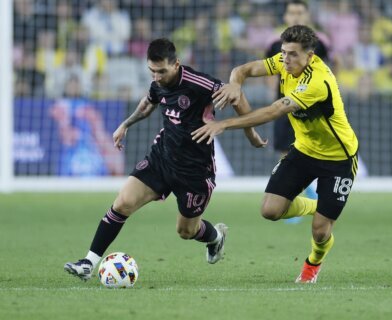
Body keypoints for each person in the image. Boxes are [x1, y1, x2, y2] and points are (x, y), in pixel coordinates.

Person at [64, 38, 266, 280]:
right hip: (162, 158)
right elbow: (149, 102)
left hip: (195, 170)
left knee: (186, 230)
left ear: (177, 64)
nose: (156, 77)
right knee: (122, 203)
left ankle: (216, 237)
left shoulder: (199, 83)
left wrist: (250, 132)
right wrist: (126, 124)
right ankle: (88, 263)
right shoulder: (157, 83)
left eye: (161, 71)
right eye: (152, 71)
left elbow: (237, 96)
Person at [192, 25, 359, 283]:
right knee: (269, 210)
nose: (286, 59)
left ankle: (312, 264)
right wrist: (235, 84)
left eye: (293, 54)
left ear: (310, 56)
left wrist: (223, 124)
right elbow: (243, 70)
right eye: (283, 53)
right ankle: (321, 206)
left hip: (338, 158)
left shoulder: (318, 82)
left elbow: (273, 111)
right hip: (304, 151)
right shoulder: (282, 62)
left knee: (320, 232)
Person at [266, 0, 330, 203]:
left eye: (299, 13)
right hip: (285, 107)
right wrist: (274, 102)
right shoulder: (275, 45)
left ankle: (314, 194)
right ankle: (291, 197)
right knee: (286, 153)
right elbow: (271, 76)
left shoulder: (320, 43)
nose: (295, 17)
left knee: (314, 151)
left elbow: (329, 73)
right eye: (291, 13)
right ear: (285, 17)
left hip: (312, 109)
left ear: (307, 16)